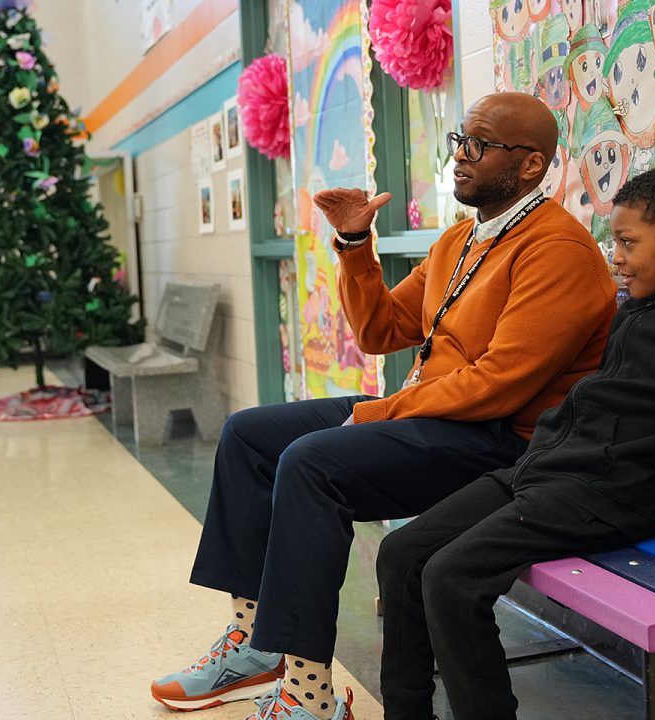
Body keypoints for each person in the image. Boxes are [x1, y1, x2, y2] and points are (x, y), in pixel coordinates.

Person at [149, 92, 618, 720]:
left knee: (313, 462)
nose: (460, 156)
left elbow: (500, 385)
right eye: (459, 140)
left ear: (529, 165)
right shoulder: (462, 239)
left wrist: (378, 413)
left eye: (478, 145)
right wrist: (354, 242)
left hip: (503, 443)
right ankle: (256, 645)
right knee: (247, 435)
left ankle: (309, 695)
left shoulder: (557, 250)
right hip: (437, 417)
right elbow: (381, 329)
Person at [375, 165, 655, 720]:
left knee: (452, 579)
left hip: (605, 494)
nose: (615, 255)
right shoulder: (637, 311)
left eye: (627, 242)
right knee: (402, 553)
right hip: (549, 472)